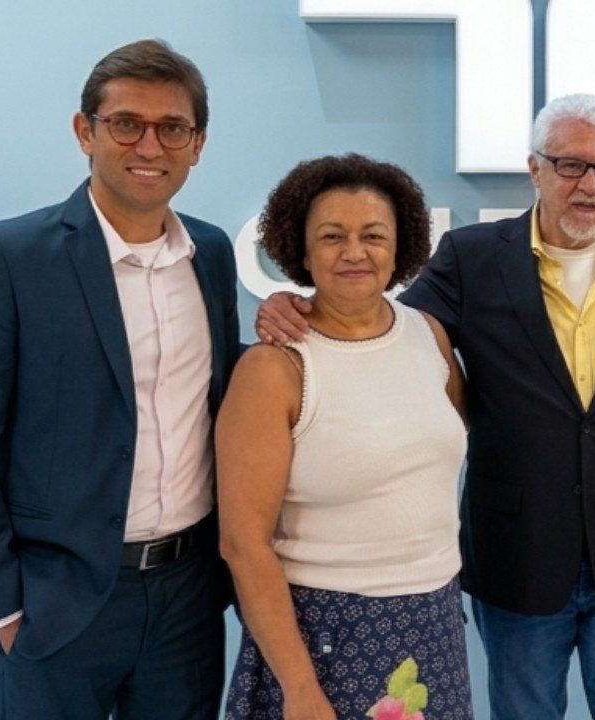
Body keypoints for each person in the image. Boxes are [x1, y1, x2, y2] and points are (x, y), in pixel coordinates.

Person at [256, 94, 595, 720]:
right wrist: (295, 303)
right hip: (516, 553)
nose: (590, 184)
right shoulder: (472, 257)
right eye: (571, 165)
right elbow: (381, 323)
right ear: (535, 169)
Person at [0, 39, 238, 719]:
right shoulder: (6, 256)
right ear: (84, 132)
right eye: (126, 123)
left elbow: (213, 391)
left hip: (187, 600)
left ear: (197, 144)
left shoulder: (210, 253)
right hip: (53, 605)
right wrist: (1, 605)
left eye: (171, 128)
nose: (149, 145)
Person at [219, 154, 472, 720]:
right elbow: (242, 544)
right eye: (332, 237)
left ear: (399, 247)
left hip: (433, 625)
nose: (354, 252)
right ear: (302, 251)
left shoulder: (429, 334)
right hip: (322, 638)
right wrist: (299, 687)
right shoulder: (274, 368)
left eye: (373, 236)